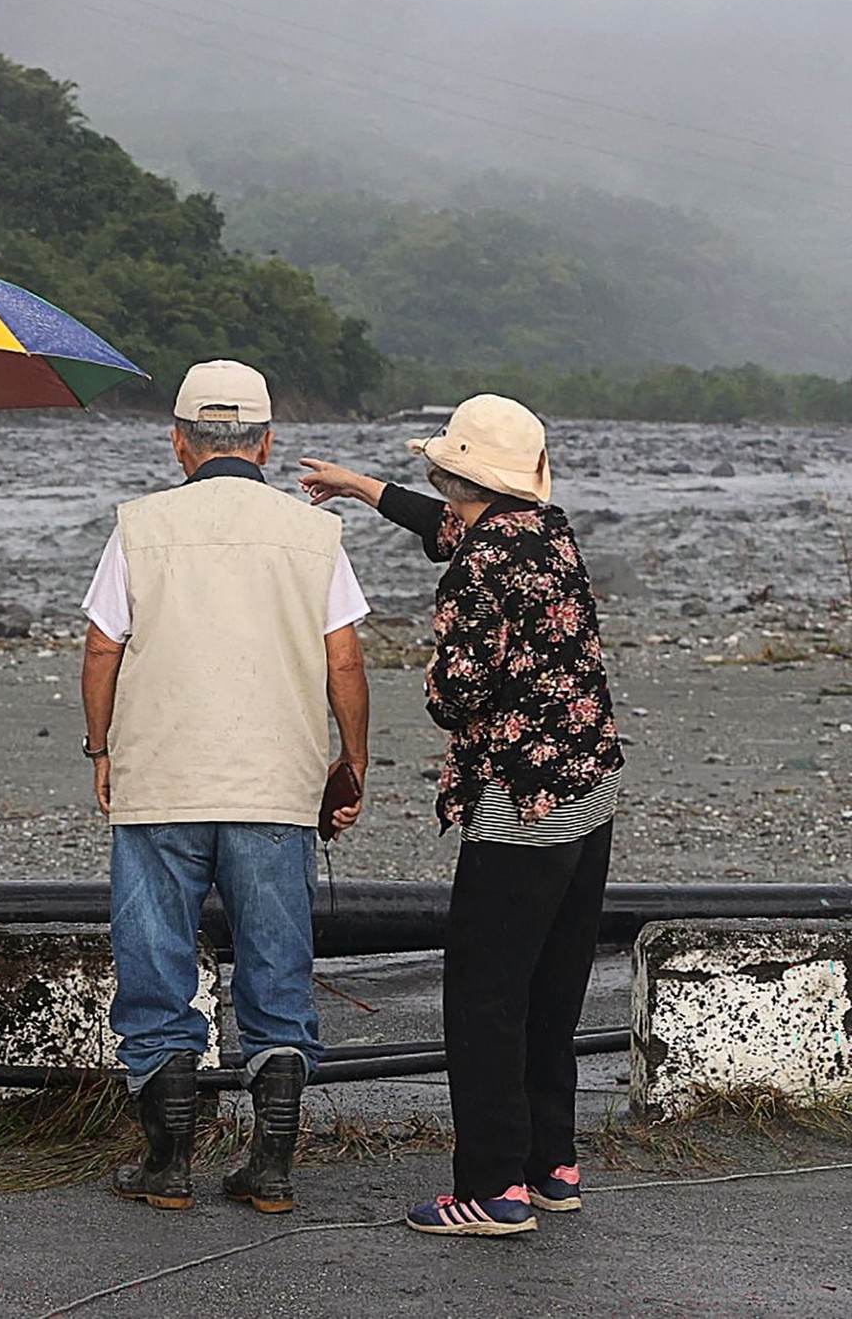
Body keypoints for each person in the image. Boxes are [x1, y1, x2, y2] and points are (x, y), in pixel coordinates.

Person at [298, 393, 623, 1237]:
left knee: (484, 993)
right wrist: (359, 487)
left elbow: (458, 696)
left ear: (457, 475)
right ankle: (551, 1166)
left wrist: (432, 677)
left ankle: (490, 1188)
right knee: (554, 987)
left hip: (521, 802)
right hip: (589, 786)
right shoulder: (544, 530)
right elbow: (444, 528)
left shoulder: (480, 566)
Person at [81, 359, 371, 1214]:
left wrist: (101, 747)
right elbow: (344, 658)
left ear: (178, 444)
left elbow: (104, 648)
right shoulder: (312, 535)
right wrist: (350, 761)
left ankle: (166, 1165)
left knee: (156, 968)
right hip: (274, 787)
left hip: (161, 780)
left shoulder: (139, 526)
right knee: (277, 973)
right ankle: (271, 1170)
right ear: (269, 444)